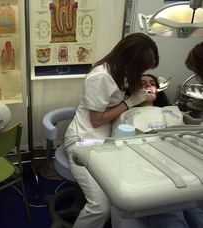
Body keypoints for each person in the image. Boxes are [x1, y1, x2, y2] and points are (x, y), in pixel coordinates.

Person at [64, 33, 159, 228]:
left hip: (107, 142)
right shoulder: (101, 77)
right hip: (84, 141)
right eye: (142, 67)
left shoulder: (121, 73)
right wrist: (130, 102)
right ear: (131, 60)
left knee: (123, 192)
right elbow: (96, 120)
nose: (143, 72)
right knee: (100, 207)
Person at [112, 74, 203, 228]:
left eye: (152, 83)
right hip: (148, 168)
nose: (148, 86)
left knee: (195, 212)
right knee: (172, 215)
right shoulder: (125, 115)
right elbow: (117, 148)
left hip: (178, 166)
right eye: (142, 83)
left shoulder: (173, 112)